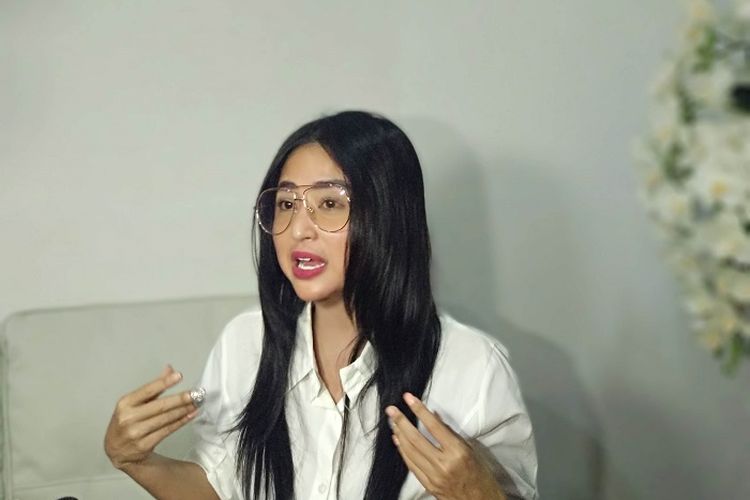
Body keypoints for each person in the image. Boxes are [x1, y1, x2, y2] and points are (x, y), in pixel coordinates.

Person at [104, 110, 538, 499]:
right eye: (286, 204)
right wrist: (135, 460)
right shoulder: (244, 342)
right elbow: (220, 489)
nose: (298, 229)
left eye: (329, 204)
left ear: (388, 215)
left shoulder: (473, 369)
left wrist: (480, 495)